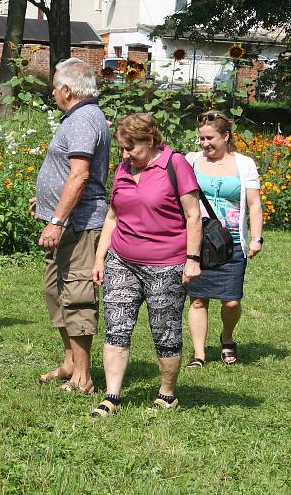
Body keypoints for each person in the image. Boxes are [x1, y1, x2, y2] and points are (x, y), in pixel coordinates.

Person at [90, 113, 202, 417]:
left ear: (150, 141)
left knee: (165, 331)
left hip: (167, 264)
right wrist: (100, 257)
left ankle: (167, 393)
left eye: (131, 149)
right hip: (122, 261)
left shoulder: (174, 164)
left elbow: (193, 215)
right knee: (116, 326)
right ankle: (112, 394)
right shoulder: (124, 168)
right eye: (122, 149)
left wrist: (192, 260)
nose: (126, 156)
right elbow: (112, 217)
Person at [33, 57, 111, 394]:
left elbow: (79, 176)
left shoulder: (83, 121)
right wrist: (47, 201)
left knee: (77, 297)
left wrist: (57, 220)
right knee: (55, 292)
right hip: (64, 222)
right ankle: (70, 362)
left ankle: (84, 375)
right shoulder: (78, 118)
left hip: (78, 226)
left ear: (67, 89)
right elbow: (68, 173)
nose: (52, 92)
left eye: (54, 86)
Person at [185, 111, 263, 367]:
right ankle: (199, 353)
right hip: (199, 240)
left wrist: (256, 238)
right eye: (202, 138)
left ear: (226, 136)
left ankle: (227, 336)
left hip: (231, 241)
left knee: (231, 300)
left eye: (210, 138)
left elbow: (254, 204)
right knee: (198, 299)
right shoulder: (191, 161)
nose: (204, 144)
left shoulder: (244, 164)